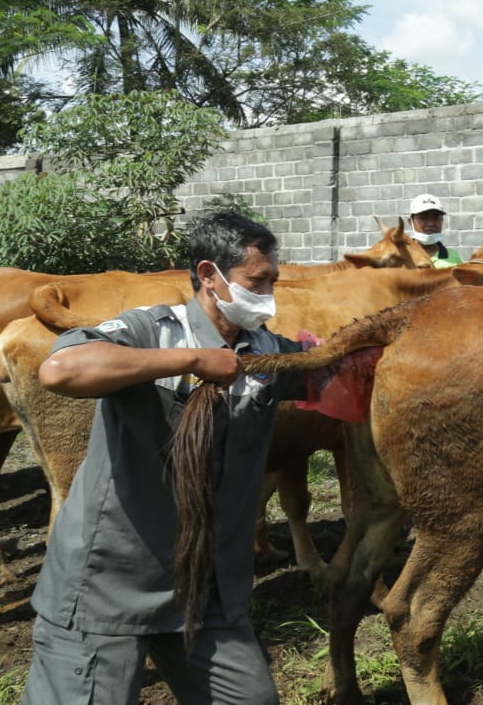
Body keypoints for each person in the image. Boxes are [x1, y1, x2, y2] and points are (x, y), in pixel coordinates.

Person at [22, 212, 309, 705]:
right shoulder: (152, 331)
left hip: (204, 584)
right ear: (208, 275)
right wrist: (193, 361)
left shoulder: (266, 353)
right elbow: (62, 369)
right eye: (256, 281)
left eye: (273, 281)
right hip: (109, 579)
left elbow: (336, 376)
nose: (268, 295)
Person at [408, 193, 463, 268]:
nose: (431, 223)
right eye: (423, 218)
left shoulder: (454, 257)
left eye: (436, 218)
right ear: (410, 222)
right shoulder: (401, 254)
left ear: (442, 221)